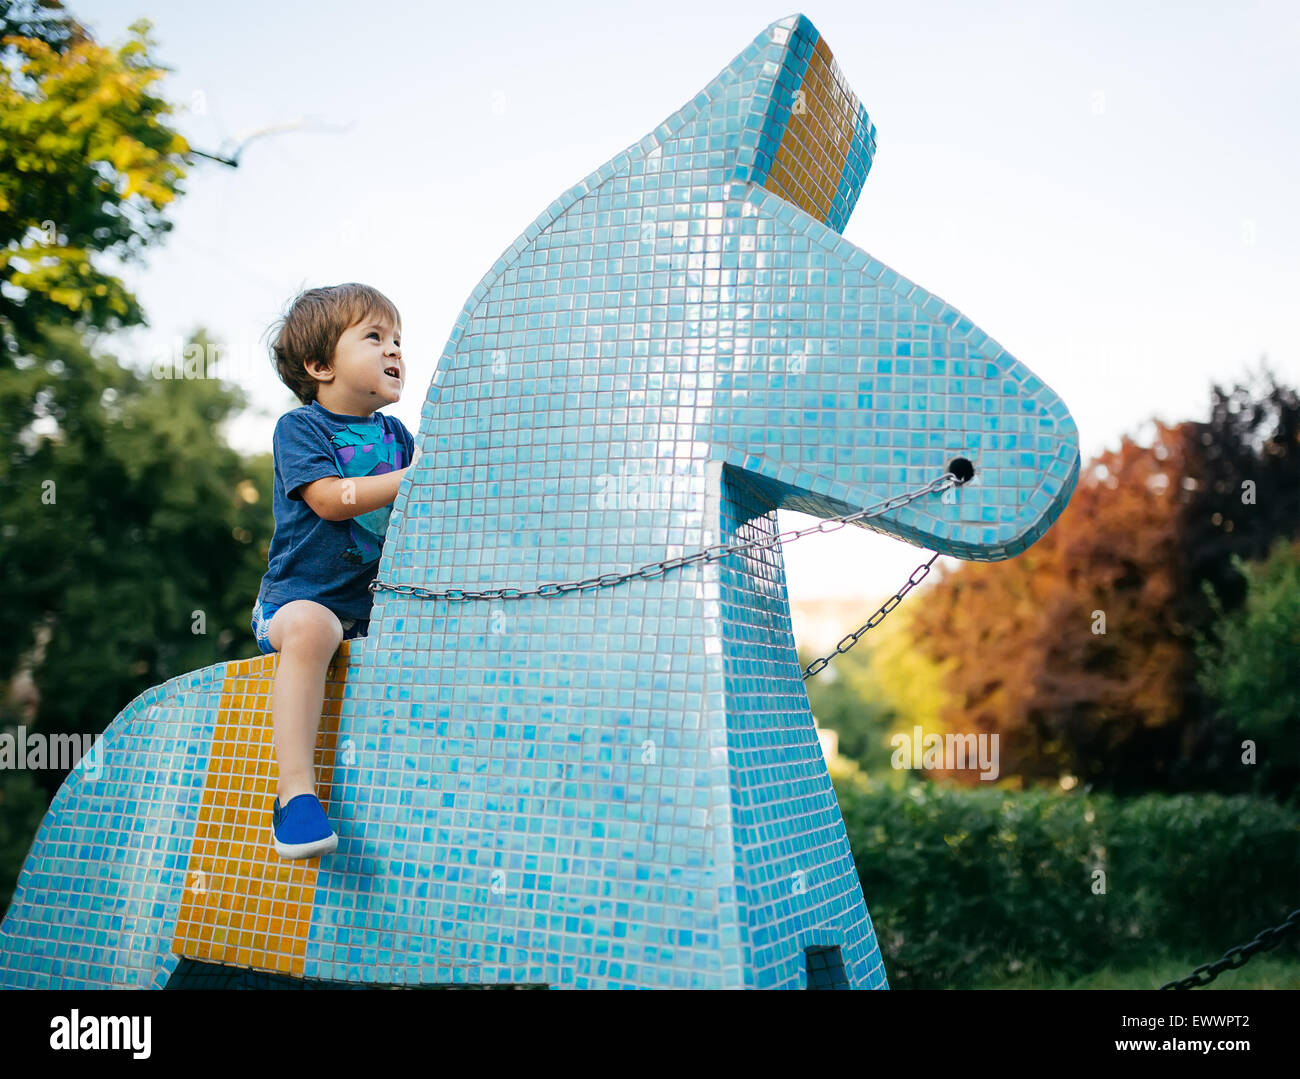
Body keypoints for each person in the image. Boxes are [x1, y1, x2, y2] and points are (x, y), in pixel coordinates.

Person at [250, 282, 418, 859]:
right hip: (296, 602)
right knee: (314, 629)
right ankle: (294, 796)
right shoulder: (302, 430)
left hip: (369, 613)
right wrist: (415, 480)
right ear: (320, 365)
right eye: (374, 337)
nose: (394, 350)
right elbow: (328, 499)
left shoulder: (399, 438)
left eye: (398, 339)